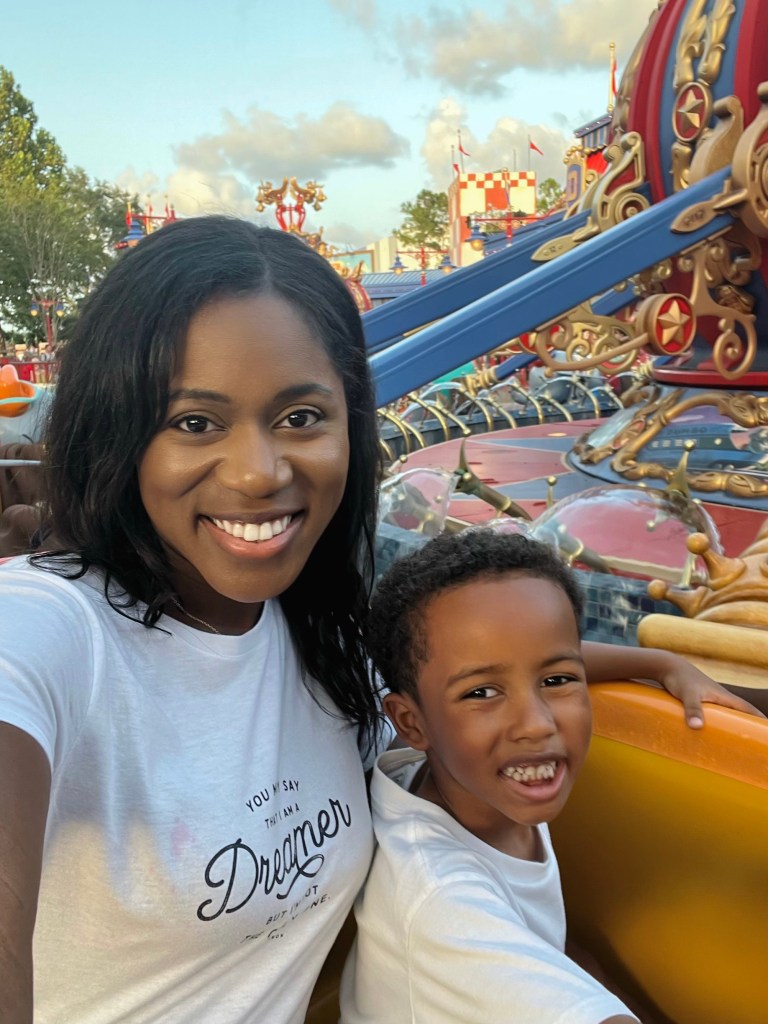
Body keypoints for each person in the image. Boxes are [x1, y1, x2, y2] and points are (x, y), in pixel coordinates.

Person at [0, 216, 758, 1024]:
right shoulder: (50, 629)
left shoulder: (319, 642)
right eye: (195, 423)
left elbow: (469, 673)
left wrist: (651, 661)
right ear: (121, 431)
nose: (259, 474)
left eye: (301, 417)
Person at [339, 530, 728, 1024]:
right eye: (482, 694)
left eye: (556, 681)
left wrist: (662, 663)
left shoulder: (465, 773)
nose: (537, 724)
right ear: (411, 722)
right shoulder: (441, 899)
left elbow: (528, 654)